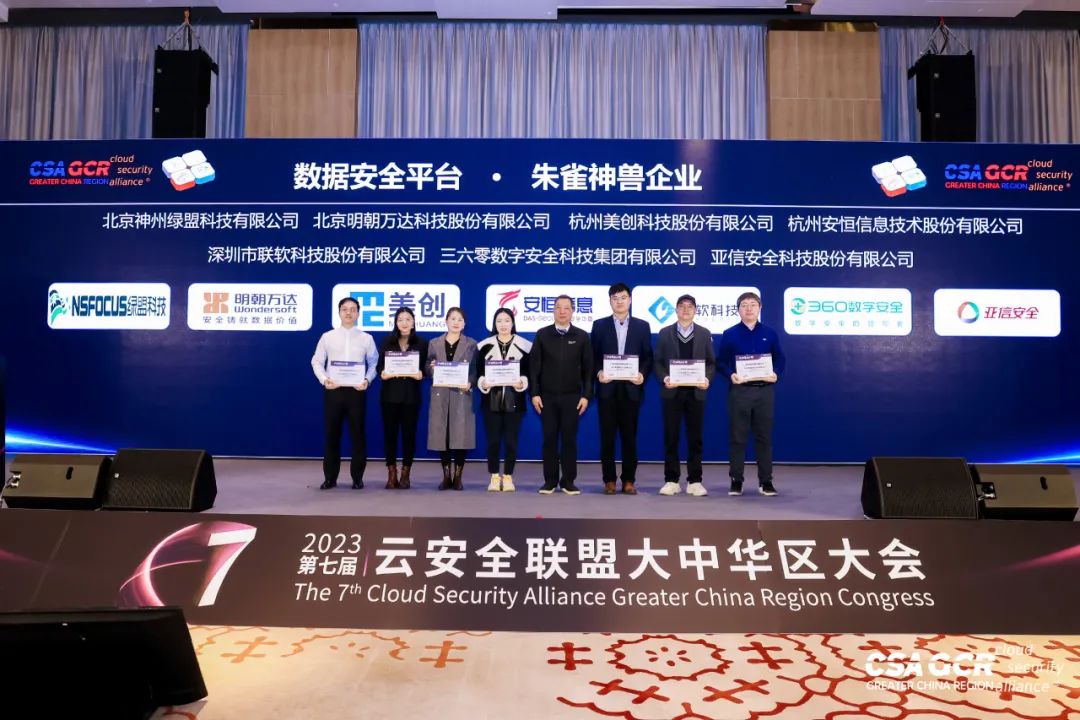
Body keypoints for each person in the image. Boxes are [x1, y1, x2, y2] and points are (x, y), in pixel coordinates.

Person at [718, 291, 786, 497]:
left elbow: (780, 358)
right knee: (737, 437)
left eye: (753, 304)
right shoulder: (730, 333)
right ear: (738, 310)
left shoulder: (770, 333)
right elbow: (721, 362)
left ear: (760, 308)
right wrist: (730, 374)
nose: (749, 308)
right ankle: (736, 480)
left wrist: (776, 373)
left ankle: (766, 481)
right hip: (739, 391)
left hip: (764, 392)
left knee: (764, 437)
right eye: (744, 305)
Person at [590, 282, 653, 495]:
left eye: (623, 297)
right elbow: (593, 356)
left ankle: (628, 480)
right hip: (607, 390)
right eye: (615, 298)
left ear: (630, 300)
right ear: (610, 301)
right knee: (607, 437)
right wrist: (599, 372)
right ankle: (609, 480)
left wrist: (642, 374)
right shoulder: (599, 326)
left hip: (631, 390)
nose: (619, 302)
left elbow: (648, 357)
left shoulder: (642, 326)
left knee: (629, 438)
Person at [310, 296, 379, 490]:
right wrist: (324, 380)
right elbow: (316, 361)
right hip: (334, 391)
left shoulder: (366, 338)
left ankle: (357, 478)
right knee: (332, 435)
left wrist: (367, 380)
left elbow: (374, 362)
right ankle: (330, 478)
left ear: (358, 313)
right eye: (345, 309)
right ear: (339, 312)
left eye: (353, 309)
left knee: (358, 435)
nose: (349, 312)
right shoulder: (327, 337)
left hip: (357, 392)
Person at [529, 294, 593, 495]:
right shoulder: (542, 335)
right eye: (558, 307)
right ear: (553, 310)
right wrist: (534, 393)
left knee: (569, 439)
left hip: (572, 398)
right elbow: (534, 368)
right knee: (549, 438)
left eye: (566, 308)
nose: (562, 311)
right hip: (546, 397)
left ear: (573, 311)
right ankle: (549, 481)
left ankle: (568, 481)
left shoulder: (582, 336)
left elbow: (589, 370)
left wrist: (586, 396)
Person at [654, 294, 715, 497]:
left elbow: (711, 363)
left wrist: (706, 378)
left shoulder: (704, 333)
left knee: (695, 438)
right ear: (676, 309)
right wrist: (665, 378)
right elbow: (658, 362)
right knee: (671, 437)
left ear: (695, 310)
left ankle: (695, 481)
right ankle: (671, 480)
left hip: (696, 393)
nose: (686, 309)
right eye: (682, 306)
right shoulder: (665, 333)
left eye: (690, 306)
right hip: (672, 392)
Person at [476, 308, 532, 493]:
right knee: (493, 441)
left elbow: (529, 372)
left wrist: (522, 382)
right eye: (499, 321)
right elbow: (478, 372)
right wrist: (483, 382)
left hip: (514, 401)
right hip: (490, 402)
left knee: (511, 442)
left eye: (507, 320)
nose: (503, 324)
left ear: (512, 323)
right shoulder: (484, 346)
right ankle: (494, 476)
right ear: (494, 324)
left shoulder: (525, 346)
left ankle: (508, 476)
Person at [426, 307, 478, 491]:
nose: (456, 322)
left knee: (461, 435)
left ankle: (458, 477)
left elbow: (476, 369)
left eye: (460, 319)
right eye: (453, 318)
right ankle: (446, 476)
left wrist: (471, 383)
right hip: (440, 394)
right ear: (446, 321)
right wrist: (431, 368)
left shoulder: (471, 344)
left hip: (461, 394)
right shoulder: (434, 343)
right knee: (442, 435)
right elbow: (427, 365)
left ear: (464, 324)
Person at [377, 306, 427, 490]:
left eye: (408, 319)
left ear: (413, 322)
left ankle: (406, 473)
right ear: (396, 323)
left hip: (411, 397)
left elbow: (426, 367)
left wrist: (422, 373)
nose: (404, 323)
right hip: (389, 396)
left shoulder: (422, 343)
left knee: (409, 436)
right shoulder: (387, 341)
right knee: (390, 435)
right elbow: (379, 366)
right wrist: (382, 373)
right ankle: (392, 473)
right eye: (400, 320)